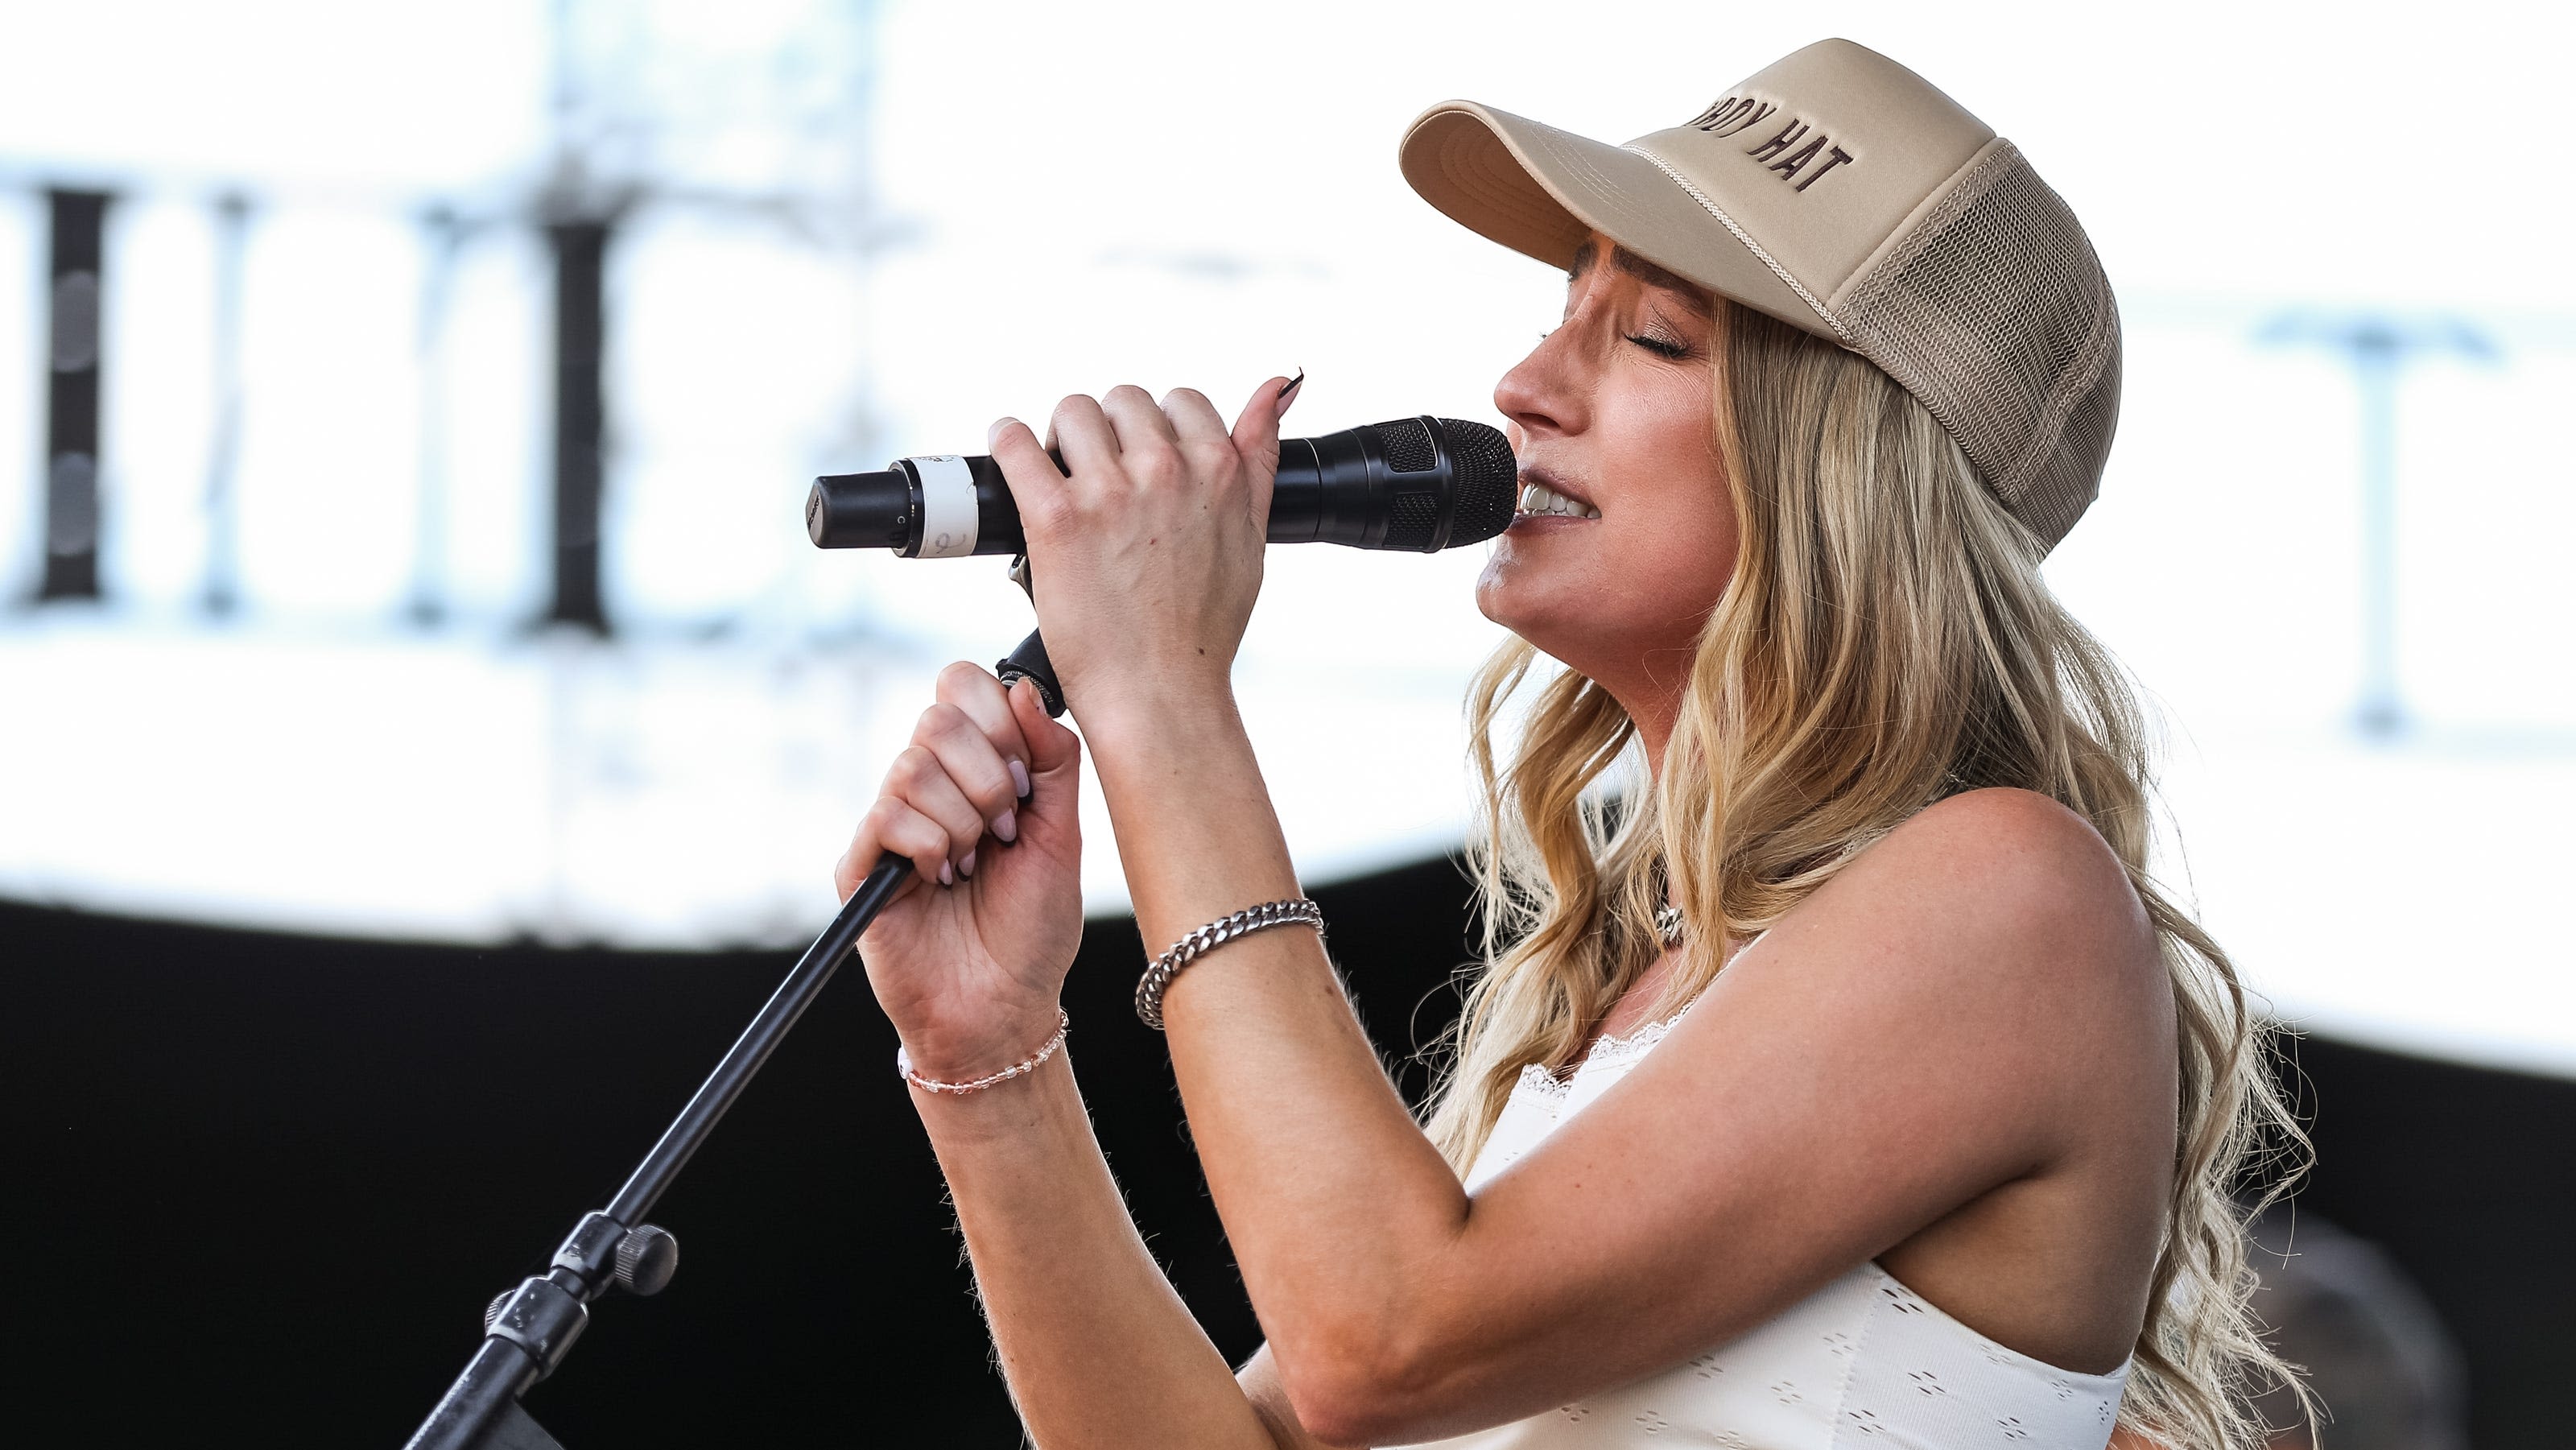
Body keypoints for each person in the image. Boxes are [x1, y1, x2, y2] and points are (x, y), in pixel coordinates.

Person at [831, 37, 2305, 1450]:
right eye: (1562, 305)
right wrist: (993, 1055)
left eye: (1653, 335)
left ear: (1850, 472)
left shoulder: (2010, 901)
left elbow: (1382, 1336)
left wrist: (1160, 696)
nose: (1525, 386)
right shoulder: (1614, 1009)